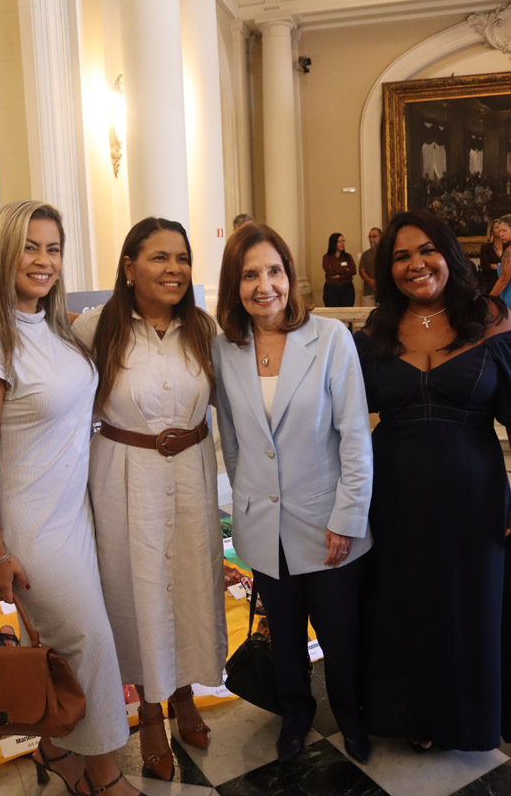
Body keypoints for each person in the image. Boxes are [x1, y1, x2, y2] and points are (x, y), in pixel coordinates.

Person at [0, 200, 144, 796]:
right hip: (30, 525)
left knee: (71, 643)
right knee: (88, 641)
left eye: (53, 248)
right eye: (29, 247)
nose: (43, 261)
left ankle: (56, 744)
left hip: (75, 514)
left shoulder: (52, 327)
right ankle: (103, 773)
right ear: (2, 253)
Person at [72, 217, 227, 782]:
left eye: (182, 258)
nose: (175, 269)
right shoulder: (95, 330)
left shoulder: (203, 330)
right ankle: (151, 712)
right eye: (160, 257)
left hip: (191, 472)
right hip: (123, 476)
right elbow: (67, 409)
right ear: (129, 266)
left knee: (186, 584)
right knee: (135, 591)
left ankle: (185, 692)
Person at [213, 222, 373, 765]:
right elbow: (231, 440)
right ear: (234, 285)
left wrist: (348, 518)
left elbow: (355, 436)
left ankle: (352, 717)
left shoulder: (329, 339)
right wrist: (251, 500)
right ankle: (295, 713)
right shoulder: (225, 349)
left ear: (290, 276)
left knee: (340, 635)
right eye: (250, 274)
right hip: (265, 525)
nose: (265, 285)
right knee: (282, 635)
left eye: (274, 271)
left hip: (327, 521)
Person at [355, 208, 511, 752]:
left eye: (426, 250)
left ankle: (466, 720)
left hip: (474, 495)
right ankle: (409, 716)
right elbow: (339, 417)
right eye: (400, 256)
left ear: (449, 253)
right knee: (403, 601)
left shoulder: (490, 317)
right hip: (393, 495)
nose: (415, 264)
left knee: (469, 601)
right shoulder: (375, 330)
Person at [322, 233, 356, 307]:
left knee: (347, 313)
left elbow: (353, 271)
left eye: (343, 241)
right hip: (331, 289)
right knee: (333, 313)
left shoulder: (348, 256)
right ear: (333, 243)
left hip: (347, 288)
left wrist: (340, 277)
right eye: (340, 241)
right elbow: (329, 271)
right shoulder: (327, 257)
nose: (342, 243)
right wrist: (345, 269)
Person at [490, 214, 511, 308]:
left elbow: (503, 280)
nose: (501, 234)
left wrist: (489, 300)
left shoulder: (509, 251)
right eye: (499, 230)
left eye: (505, 230)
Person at [359, 227, 382, 306]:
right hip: (369, 292)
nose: (371, 239)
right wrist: (370, 281)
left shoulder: (387, 252)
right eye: (370, 237)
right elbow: (362, 270)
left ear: (381, 237)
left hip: (384, 291)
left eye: (374, 236)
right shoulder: (366, 254)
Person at [479, 218, 503, 293]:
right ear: (491, 231)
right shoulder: (485, 247)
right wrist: (503, 266)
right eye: (497, 227)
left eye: (501, 227)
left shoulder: (509, 247)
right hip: (490, 283)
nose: (499, 229)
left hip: (506, 283)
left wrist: (496, 266)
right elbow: (486, 268)